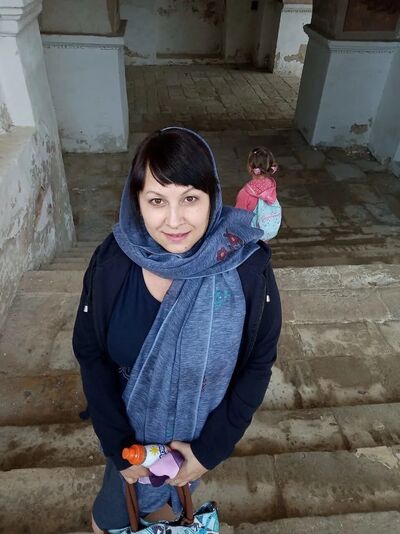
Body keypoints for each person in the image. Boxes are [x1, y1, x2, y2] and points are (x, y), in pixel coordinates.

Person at [72, 127, 281, 533]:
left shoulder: (247, 267)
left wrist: (208, 451)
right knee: (110, 519)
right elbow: (90, 350)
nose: (173, 221)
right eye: (156, 200)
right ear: (136, 201)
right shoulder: (112, 261)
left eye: (190, 199)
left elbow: (258, 362)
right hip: (128, 436)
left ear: (212, 198)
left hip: (196, 441)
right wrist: (117, 444)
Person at [235, 147, 282, 241]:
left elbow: (238, 216)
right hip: (267, 231)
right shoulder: (271, 184)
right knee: (263, 245)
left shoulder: (245, 193)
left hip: (252, 235)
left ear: (249, 168)